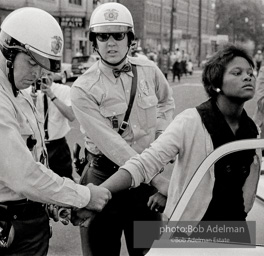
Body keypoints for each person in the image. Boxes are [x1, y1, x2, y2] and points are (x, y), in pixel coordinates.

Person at [0, 7, 111, 256]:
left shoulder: (14, 87)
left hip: (24, 221)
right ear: (9, 50)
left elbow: (34, 159)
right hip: (5, 228)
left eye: (43, 67)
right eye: (32, 63)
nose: (37, 74)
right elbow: (22, 175)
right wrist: (83, 196)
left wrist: (55, 204)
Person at [99, 44, 260, 242]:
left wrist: (173, 193)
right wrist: (98, 192)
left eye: (251, 72)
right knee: (143, 240)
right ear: (217, 83)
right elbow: (144, 163)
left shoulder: (252, 130)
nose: (248, 77)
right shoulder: (191, 121)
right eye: (237, 72)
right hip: (192, 234)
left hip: (236, 233)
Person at [70, 3, 175, 256]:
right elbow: (111, 144)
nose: (111, 43)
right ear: (94, 42)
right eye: (103, 36)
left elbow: (166, 102)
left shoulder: (149, 71)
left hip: (145, 187)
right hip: (105, 180)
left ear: (131, 39)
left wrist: (161, 138)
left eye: (119, 35)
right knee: (102, 251)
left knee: (149, 251)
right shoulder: (83, 88)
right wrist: (157, 178)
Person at [26, 71, 75, 180]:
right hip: (36, 145)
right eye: (42, 74)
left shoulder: (64, 90)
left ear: (55, 74)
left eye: (49, 74)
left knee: (65, 180)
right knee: (37, 182)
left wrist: (52, 95)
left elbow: (71, 116)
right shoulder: (27, 91)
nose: (45, 78)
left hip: (58, 145)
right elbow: (23, 121)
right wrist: (31, 102)